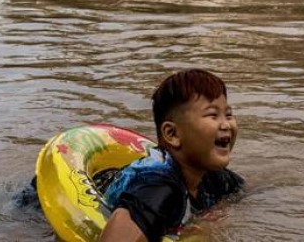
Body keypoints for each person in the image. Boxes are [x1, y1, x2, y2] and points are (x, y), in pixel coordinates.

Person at [99, 69, 243, 242]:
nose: (226, 124)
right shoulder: (159, 188)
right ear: (172, 134)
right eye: (213, 115)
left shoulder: (213, 178)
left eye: (228, 114)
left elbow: (246, 194)